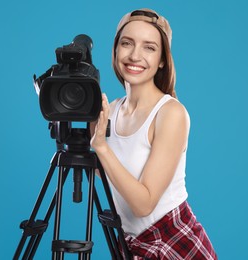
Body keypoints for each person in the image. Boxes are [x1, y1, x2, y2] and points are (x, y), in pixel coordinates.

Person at [91, 8, 217, 260]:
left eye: (149, 47)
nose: (135, 55)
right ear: (116, 50)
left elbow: (143, 204)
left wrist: (101, 147)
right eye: (127, 43)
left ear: (162, 59)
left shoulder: (170, 113)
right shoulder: (111, 111)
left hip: (172, 241)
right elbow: (110, 176)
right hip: (133, 243)